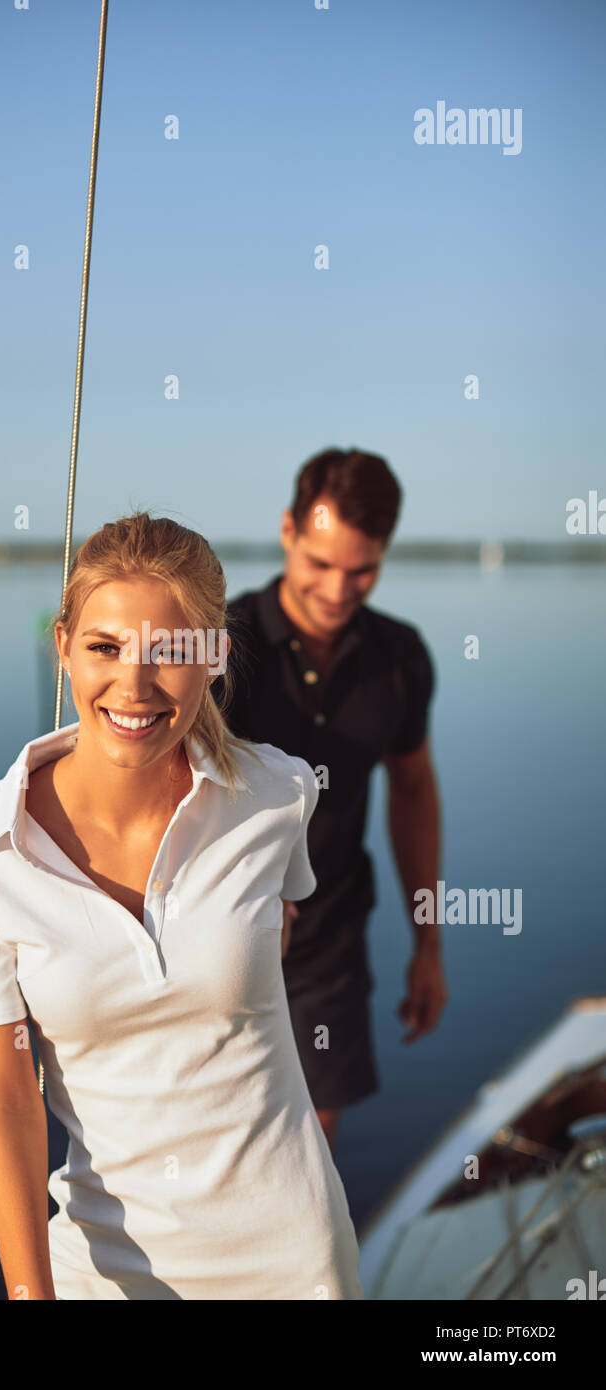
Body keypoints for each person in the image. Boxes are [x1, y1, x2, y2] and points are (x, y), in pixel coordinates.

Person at [0, 512, 364, 1301]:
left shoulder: (279, 794)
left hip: (293, 1262)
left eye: (170, 653)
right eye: (104, 647)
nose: (133, 686)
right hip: (103, 1270)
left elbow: (285, 928)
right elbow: (3, 1094)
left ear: (214, 659)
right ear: (61, 643)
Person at [215, 449, 447, 1155]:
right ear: (288, 530)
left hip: (331, 945)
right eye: (320, 563)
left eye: (362, 569)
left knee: (310, 1154)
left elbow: (412, 789)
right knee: (214, 1146)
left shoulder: (402, 658)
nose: (339, 589)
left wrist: (428, 941)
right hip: (215, 935)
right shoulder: (221, 646)